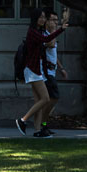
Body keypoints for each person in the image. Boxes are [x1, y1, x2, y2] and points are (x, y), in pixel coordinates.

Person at [14, 8, 64, 138]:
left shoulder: (36, 31)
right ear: (35, 19)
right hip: (32, 71)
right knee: (45, 98)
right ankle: (22, 120)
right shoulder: (33, 32)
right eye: (40, 17)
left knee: (39, 102)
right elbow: (47, 39)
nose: (43, 19)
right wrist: (61, 29)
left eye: (44, 17)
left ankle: (37, 130)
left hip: (36, 70)